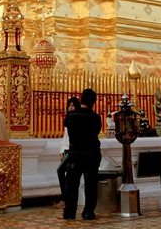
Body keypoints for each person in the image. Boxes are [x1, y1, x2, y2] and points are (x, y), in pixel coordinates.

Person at [63, 88, 102, 221]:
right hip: (91, 153)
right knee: (91, 184)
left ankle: (69, 212)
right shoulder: (96, 118)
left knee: (72, 184)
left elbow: (67, 127)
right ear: (94, 102)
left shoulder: (71, 116)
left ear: (80, 100)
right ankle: (88, 211)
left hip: (75, 153)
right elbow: (96, 132)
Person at [55, 97, 80, 209]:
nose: (71, 107)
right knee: (65, 174)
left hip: (73, 149)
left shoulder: (77, 118)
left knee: (61, 171)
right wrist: (61, 150)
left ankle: (65, 199)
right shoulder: (68, 118)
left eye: (73, 105)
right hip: (67, 149)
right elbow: (66, 137)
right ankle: (65, 199)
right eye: (69, 105)